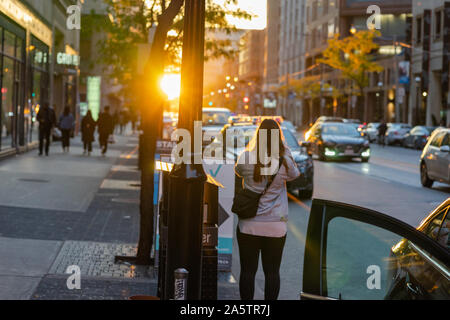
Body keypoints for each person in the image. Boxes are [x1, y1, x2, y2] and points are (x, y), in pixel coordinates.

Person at [234, 119, 300, 300]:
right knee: (272, 272)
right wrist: (285, 150)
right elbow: (296, 174)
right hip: (275, 228)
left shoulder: (247, 156)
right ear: (278, 137)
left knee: (247, 271)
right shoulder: (284, 162)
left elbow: (238, 171)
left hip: (248, 226)